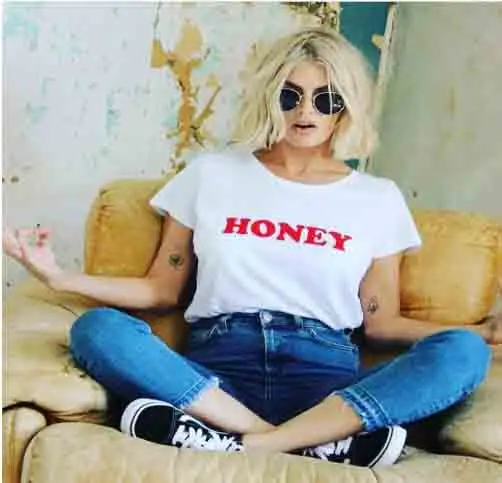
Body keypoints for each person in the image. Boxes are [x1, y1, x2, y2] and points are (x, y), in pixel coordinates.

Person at [4, 27, 501, 468]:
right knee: (97, 329)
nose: (306, 111)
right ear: (269, 98)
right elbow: (160, 290)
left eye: (326, 99)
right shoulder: (211, 174)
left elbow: (381, 322)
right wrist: (60, 278)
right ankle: (305, 443)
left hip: (326, 383)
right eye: (290, 95)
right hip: (217, 377)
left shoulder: (377, 198)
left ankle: (237, 443)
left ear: (346, 107)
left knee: (462, 353)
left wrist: (478, 332)